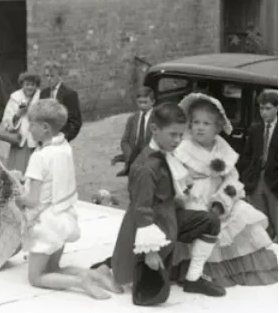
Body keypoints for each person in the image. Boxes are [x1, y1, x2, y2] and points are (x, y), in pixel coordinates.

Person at [93, 102, 226, 306]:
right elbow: (142, 210)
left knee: (210, 221)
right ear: (154, 130)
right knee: (149, 295)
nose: (178, 140)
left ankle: (193, 279)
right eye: (173, 134)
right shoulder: (146, 167)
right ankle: (107, 268)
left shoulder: (165, 155)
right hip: (152, 227)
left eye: (181, 135)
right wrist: (151, 250)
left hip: (169, 218)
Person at [16, 99, 120, 299]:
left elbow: (33, 200)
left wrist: (17, 196)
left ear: (45, 128)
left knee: (36, 277)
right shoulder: (64, 147)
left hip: (45, 223)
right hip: (64, 216)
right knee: (54, 267)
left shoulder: (39, 157)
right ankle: (96, 275)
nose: (29, 128)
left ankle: (80, 281)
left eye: (32, 124)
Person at [171, 93, 277, 287]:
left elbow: (232, 179)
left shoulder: (222, 147)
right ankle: (194, 273)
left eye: (206, 123)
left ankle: (234, 267)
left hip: (220, 197)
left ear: (218, 127)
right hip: (194, 197)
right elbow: (176, 178)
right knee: (199, 222)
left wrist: (223, 200)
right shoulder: (183, 148)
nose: (200, 127)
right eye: (195, 122)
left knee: (242, 214)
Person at [238, 89, 278, 241]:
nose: (264, 112)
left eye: (268, 108)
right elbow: (246, 156)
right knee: (259, 220)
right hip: (256, 180)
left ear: (277, 108)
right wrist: (245, 177)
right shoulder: (255, 129)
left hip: (275, 181)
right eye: (261, 108)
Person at [1, 72, 41, 173]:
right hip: (20, 140)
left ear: (36, 85)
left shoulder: (41, 97)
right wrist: (18, 114)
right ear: (22, 84)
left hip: (36, 139)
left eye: (33, 85)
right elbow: (6, 120)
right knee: (18, 171)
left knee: (36, 170)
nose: (29, 87)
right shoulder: (15, 98)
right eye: (27, 84)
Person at [114, 87, 155, 177]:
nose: (142, 105)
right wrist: (130, 156)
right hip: (134, 157)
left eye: (145, 102)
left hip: (150, 157)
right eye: (140, 102)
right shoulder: (132, 119)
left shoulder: (157, 118)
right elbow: (124, 141)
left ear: (153, 102)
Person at [40, 61, 82, 142]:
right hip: (45, 139)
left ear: (59, 76)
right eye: (47, 76)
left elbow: (75, 122)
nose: (49, 79)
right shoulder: (43, 93)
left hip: (61, 138)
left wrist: (64, 138)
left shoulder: (69, 94)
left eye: (52, 76)